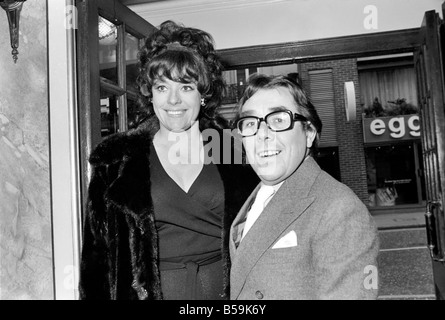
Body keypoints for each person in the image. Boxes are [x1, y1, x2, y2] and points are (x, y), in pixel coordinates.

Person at [78, 20, 258, 300]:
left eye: (185, 87)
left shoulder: (236, 151)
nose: (173, 100)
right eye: (162, 87)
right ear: (150, 94)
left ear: (204, 93)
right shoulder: (116, 160)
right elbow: (96, 261)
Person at [229, 74, 379, 300]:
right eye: (250, 123)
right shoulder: (254, 198)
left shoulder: (340, 209)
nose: (262, 134)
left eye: (278, 120)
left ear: (309, 133)